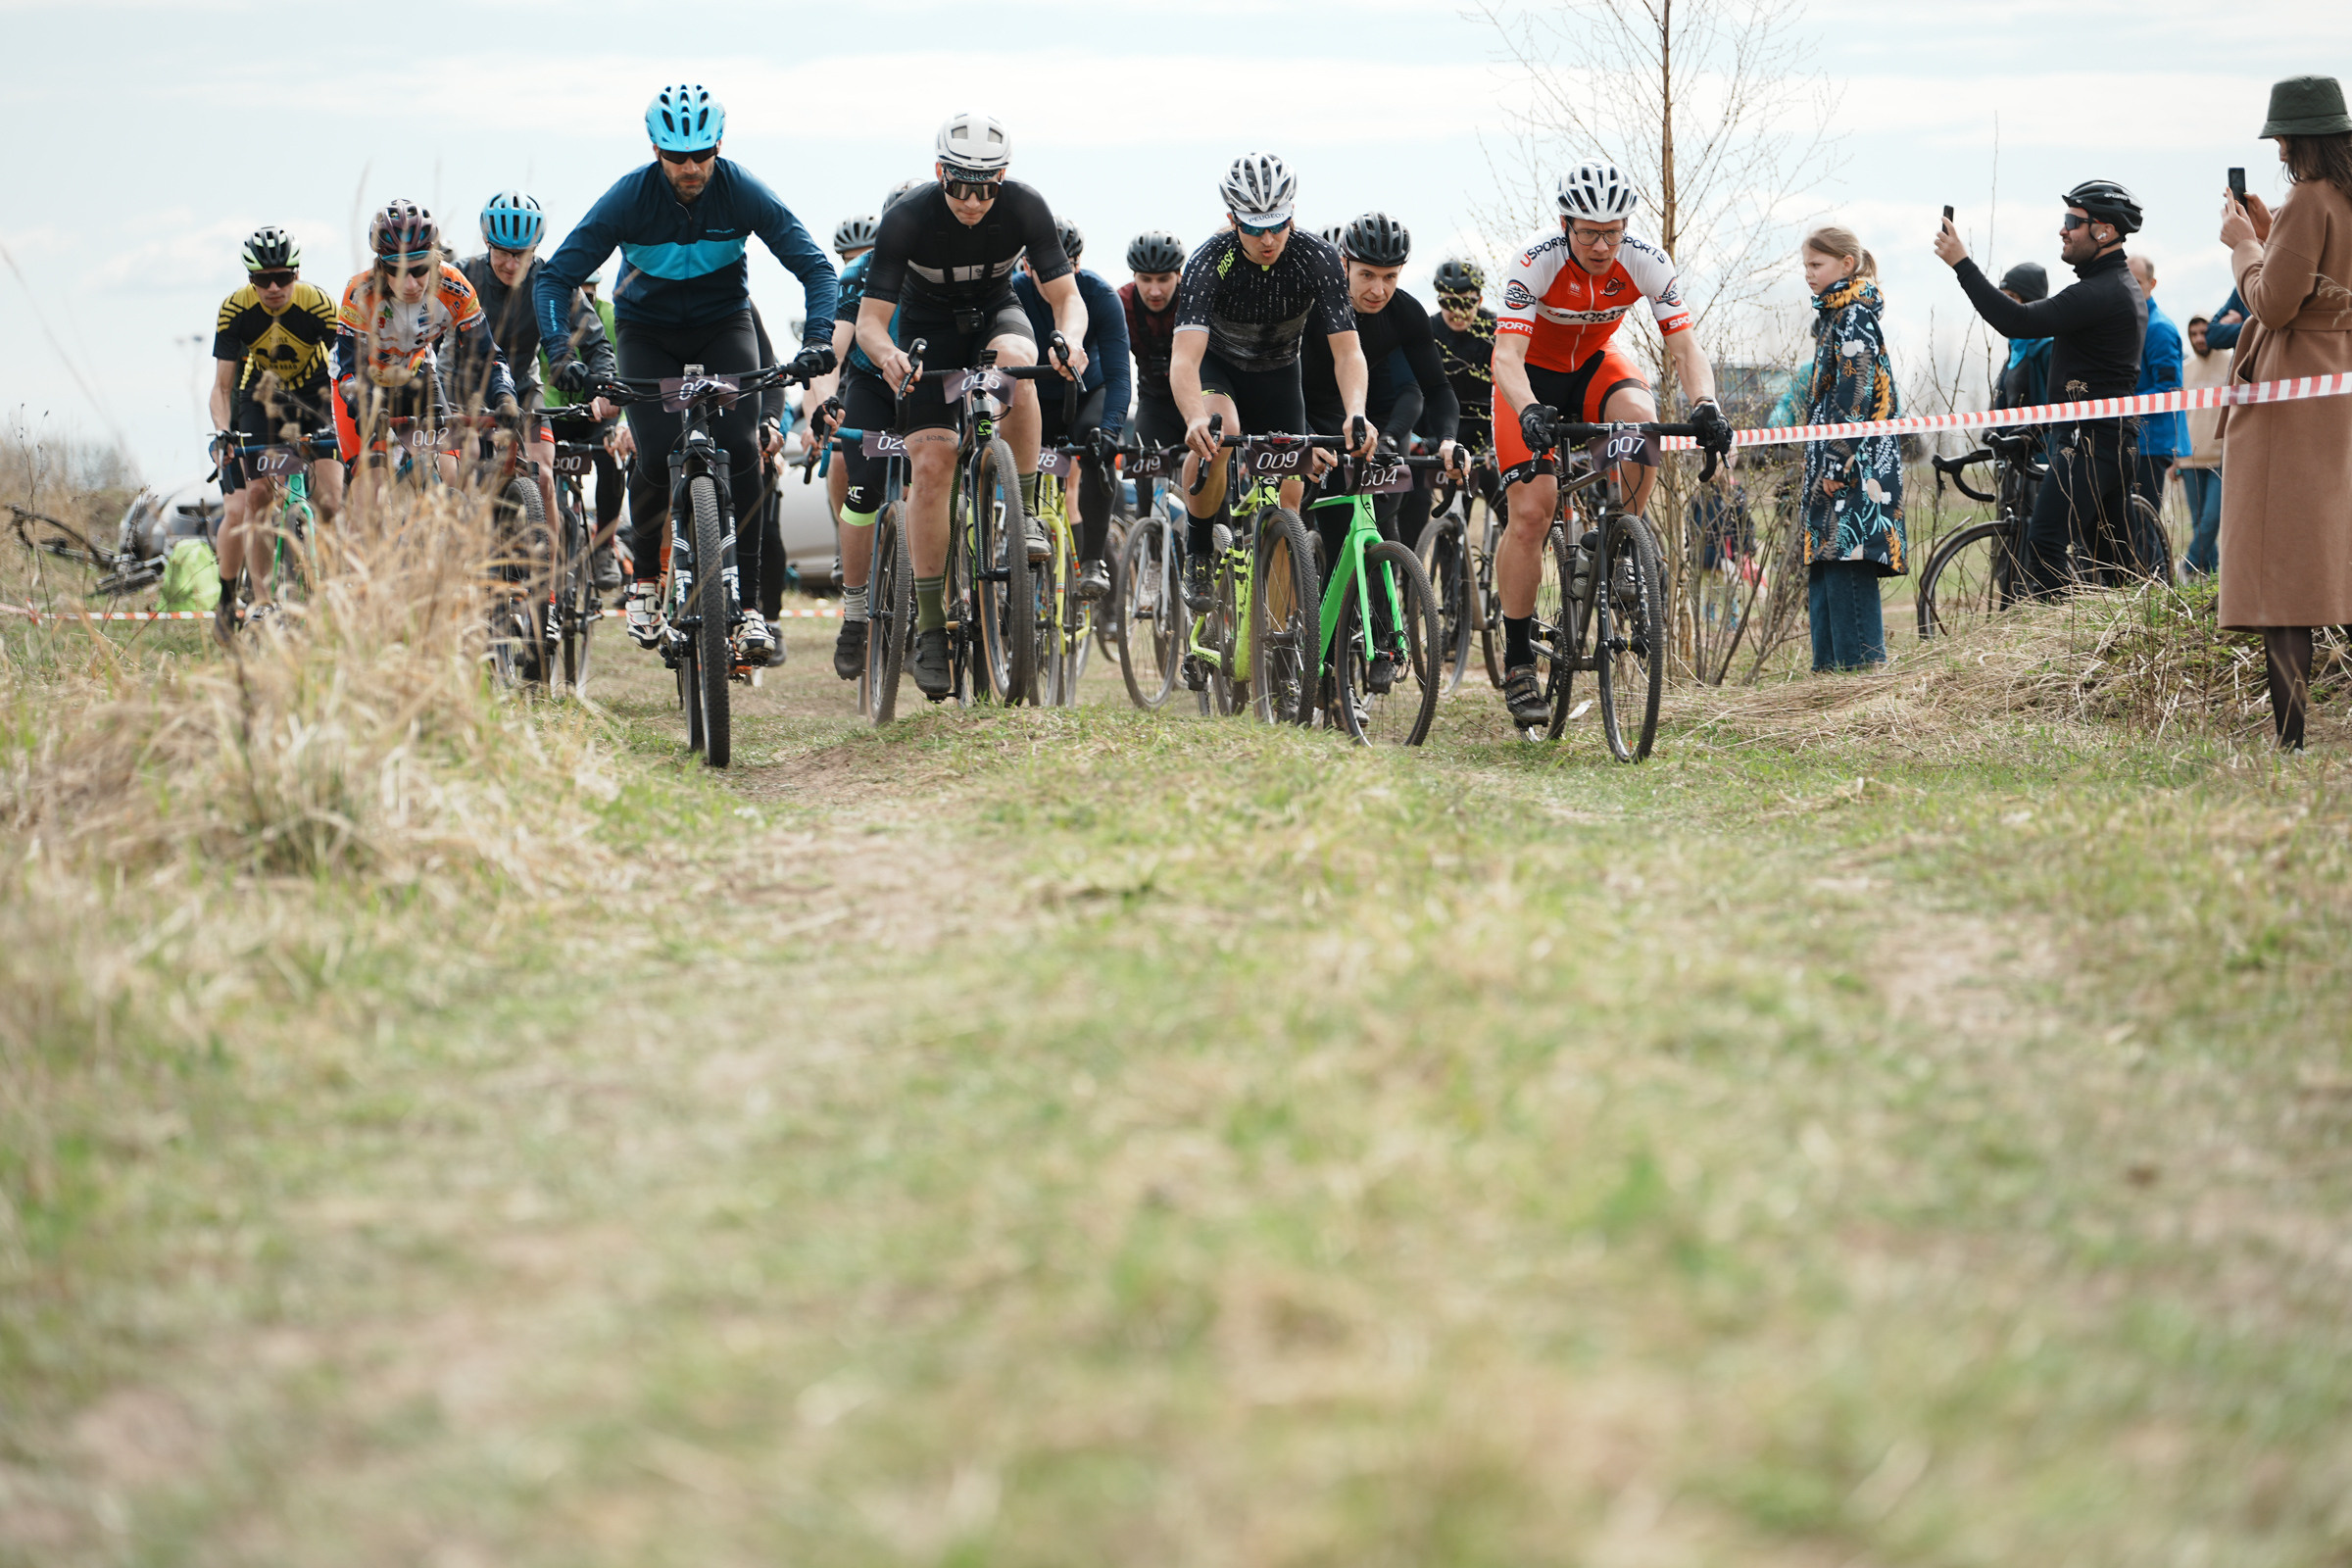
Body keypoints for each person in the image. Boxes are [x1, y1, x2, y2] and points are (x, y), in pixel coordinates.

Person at [537, 83, 839, 667]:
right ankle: (645, 582)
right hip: (646, 333)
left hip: (723, 325)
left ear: (719, 145)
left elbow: (815, 270)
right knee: (652, 456)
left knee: (743, 452)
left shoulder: (742, 190)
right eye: (678, 156)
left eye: (703, 153)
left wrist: (818, 341)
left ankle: (750, 606)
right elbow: (553, 279)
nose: (692, 167)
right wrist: (559, 354)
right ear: (656, 150)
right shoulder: (628, 198)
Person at [1489, 161, 1732, 729]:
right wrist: (1528, 411)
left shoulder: (1645, 260)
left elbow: (1686, 348)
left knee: (1639, 420)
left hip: (1594, 368)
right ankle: (1520, 657)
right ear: (1566, 224)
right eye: (1589, 232)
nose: (1601, 245)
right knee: (1531, 513)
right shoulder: (1535, 261)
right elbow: (1505, 358)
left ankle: (1620, 537)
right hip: (1528, 379)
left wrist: (1706, 404)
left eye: (1612, 232)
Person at [853, 113, 1087, 698]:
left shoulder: (1026, 207)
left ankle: (1026, 511)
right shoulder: (907, 217)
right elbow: (870, 324)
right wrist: (887, 357)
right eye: (961, 184)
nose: (975, 200)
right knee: (932, 468)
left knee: (1017, 365)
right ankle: (931, 630)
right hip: (927, 330)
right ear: (940, 172)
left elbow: (1067, 299)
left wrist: (1071, 341)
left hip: (995, 311)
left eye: (988, 186)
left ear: (1003, 178)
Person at [1169, 152, 1372, 641]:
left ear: (1292, 215)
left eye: (1278, 226)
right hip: (1222, 368)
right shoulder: (1206, 263)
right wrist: (1195, 418)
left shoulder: (1317, 257)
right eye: (1254, 228)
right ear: (1231, 219)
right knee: (1223, 430)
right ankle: (1198, 548)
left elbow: (1348, 352)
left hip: (1281, 371)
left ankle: (1277, 635)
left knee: (1291, 496)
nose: (1267, 239)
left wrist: (1356, 413)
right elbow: (1183, 361)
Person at [1934, 179, 2161, 593]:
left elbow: (2017, 321)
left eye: (2073, 221)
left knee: (2044, 548)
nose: (2063, 229)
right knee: (2116, 566)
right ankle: (2122, 647)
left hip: (2090, 443)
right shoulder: (2114, 287)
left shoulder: (2101, 291)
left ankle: (2064, 651)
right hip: (2106, 440)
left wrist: (1962, 264)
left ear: (2104, 231)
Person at [2215, 74, 2352, 750]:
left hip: (2294, 392)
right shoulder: (2342, 199)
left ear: (2296, 140)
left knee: (2283, 566)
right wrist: (2274, 239)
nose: (2279, 156)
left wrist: (2243, 245)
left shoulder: (2309, 198)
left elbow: (2272, 305)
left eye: (2282, 141)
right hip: (2342, 387)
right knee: (2337, 552)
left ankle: (2291, 741)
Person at [455, 191, 624, 584]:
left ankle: (551, 583)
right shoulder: (464, 278)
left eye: (522, 253)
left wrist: (604, 389)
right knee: (471, 478)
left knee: (543, 475)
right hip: (470, 395)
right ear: (487, 244)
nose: (512, 263)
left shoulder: (552, 281)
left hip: (526, 390)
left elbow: (596, 341)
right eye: (503, 253)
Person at [1300, 213, 1460, 564]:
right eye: (1367, 275)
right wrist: (1304, 435)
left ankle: (1378, 619)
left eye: (1390, 277)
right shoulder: (1312, 306)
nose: (1379, 290)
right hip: (1301, 411)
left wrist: (1448, 438)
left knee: (1372, 542)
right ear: (1344, 264)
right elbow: (1281, 384)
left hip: (1351, 417)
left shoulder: (1405, 312)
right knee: (1332, 542)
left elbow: (1435, 387)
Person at [209, 225, 343, 638]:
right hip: (259, 403)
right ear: (249, 280)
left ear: (296, 274)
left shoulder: (319, 304)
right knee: (258, 496)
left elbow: (345, 366)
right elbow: (222, 387)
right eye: (261, 280)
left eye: (282, 277)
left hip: (314, 397)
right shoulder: (234, 309)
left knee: (332, 502)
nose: (272, 287)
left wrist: (352, 417)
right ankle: (261, 600)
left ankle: (335, 591)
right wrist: (223, 432)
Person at [334, 200, 516, 497]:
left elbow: (487, 356)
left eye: (420, 269)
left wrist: (505, 396)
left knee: (451, 473)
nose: (410, 283)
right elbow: (349, 372)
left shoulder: (454, 286)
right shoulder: (360, 293)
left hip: (415, 373)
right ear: (381, 265)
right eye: (399, 269)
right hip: (362, 382)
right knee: (372, 490)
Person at [1796, 226, 1905, 672]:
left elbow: (1855, 397)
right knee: (1827, 572)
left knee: (1849, 569)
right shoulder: (1834, 317)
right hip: (1832, 468)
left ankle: (1861, 682)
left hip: (1855, 472)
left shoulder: (1855, 316)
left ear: (1846, 265)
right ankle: (1827, 682)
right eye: (1805, 265)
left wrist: (1837, 462)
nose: (1808, 274)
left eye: (1816, 265)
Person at [1013, 219, 1130, 602]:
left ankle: (1093, 560)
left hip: (1086, 393)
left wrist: (1111, 430)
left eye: (1066, 269)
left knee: (1098, 444)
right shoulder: (1013, 292)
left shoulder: (1100, 296)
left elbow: (1117, 375)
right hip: (1035, 398)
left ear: (1077, 265)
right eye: (1041, 271)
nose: (1053, 280)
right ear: (1026, 266)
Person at [539, 265, 629, 589]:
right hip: (554, 410)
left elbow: (623, 369)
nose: (584, 301)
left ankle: (604, 547)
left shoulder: (609, 315)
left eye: (590, 293)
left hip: (596, 414)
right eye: (578, 294)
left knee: (611, 458)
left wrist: (617, 422)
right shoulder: (546, 311)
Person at [1120, 229, 1186, 516]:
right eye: (1145, 280)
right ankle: (1151, 553)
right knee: (1142, 481)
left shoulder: (1195, 298)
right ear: (1134, 277)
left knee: (1212, 491)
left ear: (1179, 275)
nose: (1154, 291)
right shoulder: (1121, 303)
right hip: (1154, 402)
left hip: (1197, 401)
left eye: (1163, 279)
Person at [2126, 256, 2187, 528]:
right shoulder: (2133, 323)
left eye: (2136, 282)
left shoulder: (2158, 328)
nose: (2130, 287)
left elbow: (2169, 389)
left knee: (2143, 525)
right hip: (2134, 438)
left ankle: (2156, 572)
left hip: (2152, 443)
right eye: (2125, 281)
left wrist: (2121, 405)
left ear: (2152, 283)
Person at [2175, 313, 2228, 577]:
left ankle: (2187, 567)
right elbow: (2179, 416)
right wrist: (2174, 458)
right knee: (2198, 523)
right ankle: (2213, 573)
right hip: (2189, 458)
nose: (2199, 339)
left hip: (2221, 458)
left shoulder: (2232, 364)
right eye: (2193, 334)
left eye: (2204, 332)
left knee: (2211, 520)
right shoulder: (2185, 370)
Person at [1990, 263, 2054, 412]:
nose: (2004, 304)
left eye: (2012, 297)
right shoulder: (2015, 351)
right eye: (2002, 297)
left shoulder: (2049, 350)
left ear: (2030, 302)